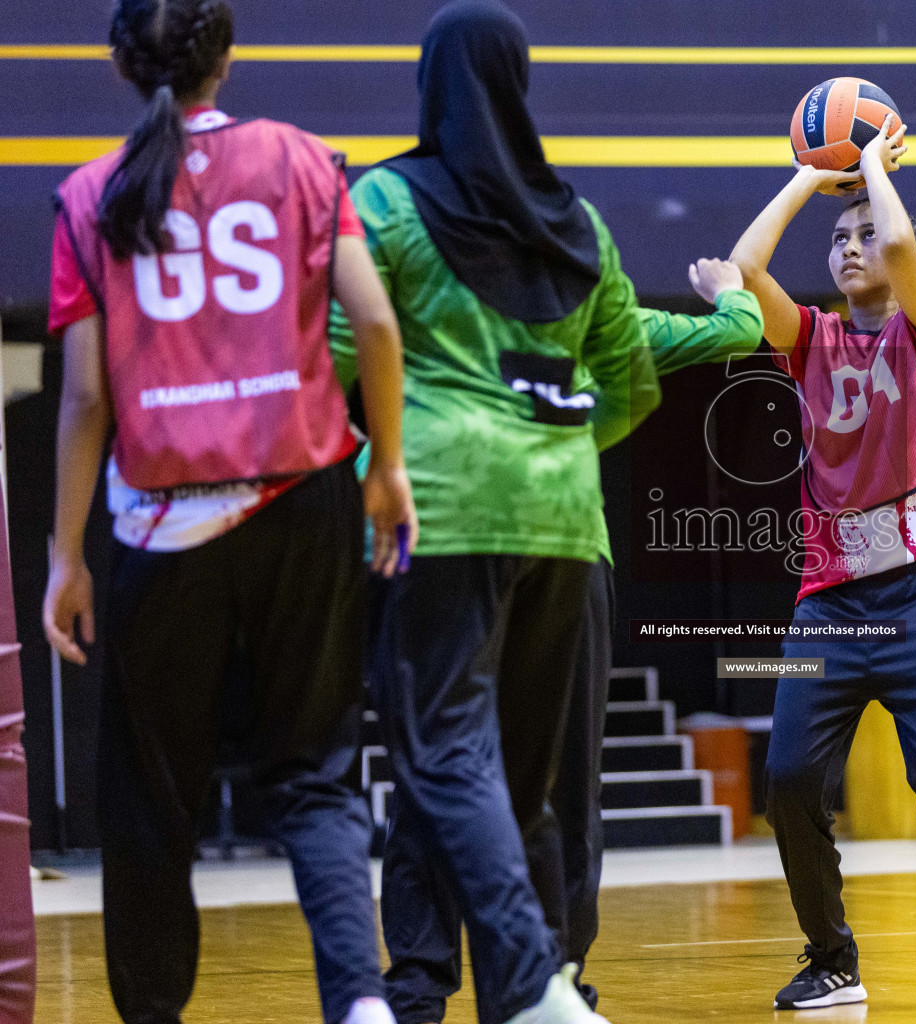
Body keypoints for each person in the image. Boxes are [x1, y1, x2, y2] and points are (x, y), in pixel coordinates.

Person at [42, 3, 416, 1023]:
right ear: (230, 57)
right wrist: (386, 468)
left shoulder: (88, 194)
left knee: (149, 798)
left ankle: (154, 1012)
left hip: (159, 529)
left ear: (119, 66)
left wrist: (64, 554)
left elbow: (83, 401)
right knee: (317, 773)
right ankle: (360, 1002)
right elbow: (374, 322)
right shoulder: (301, 159)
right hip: (301, 501)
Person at [327, 3, 653, 1022]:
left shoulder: (379, 201)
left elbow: (338, 357)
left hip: (444, 507)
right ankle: (544, 985)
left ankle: (450, 987)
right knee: (527, 778)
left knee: (436, 755)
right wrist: (553, 440)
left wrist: (376, 456)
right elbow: (631, 384)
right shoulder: (579, 222)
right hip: (565, 515)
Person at [728, 117, 916, 1008]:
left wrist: (864, 170)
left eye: (864, 236)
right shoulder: (810, 340)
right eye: (838, 238)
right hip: (830, 602)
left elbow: (899, 237)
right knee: (786, 780)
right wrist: (806, 178)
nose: (853, 247)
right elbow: (747, 267)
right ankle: (831, 959)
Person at [553, 258, 765, 1008]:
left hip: (458, 551)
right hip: (567, 556)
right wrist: (727, 290)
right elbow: (741, 327)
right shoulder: (606, 322)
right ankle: (560, 976)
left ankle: (421, 984)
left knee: (452, 773)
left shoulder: (443, 318)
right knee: (568, 787)